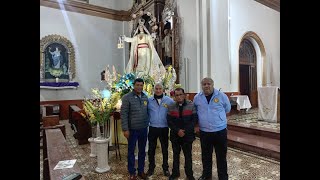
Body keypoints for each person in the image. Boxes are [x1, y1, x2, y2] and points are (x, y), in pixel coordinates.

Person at [193, 77, 231, 180]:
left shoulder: (222, 96)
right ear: (202, 86)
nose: (206, 86)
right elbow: (195, 110)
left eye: (208, 84)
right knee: (206, 156)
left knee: (221, 156)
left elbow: (227, 108)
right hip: (205, 132)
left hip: (220, 131)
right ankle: (206, 175)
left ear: (213, 84)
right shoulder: (197, 97)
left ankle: (223, 177)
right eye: (204, 84)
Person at [120, 78, 149, 180]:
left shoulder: (145, 97)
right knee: (131, 151)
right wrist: (125, 129)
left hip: (143, 129)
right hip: (132, 130)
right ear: (134, 85)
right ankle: (132, 172)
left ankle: (141, 171)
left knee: (142, 151)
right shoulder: (127, 97)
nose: (139, 87)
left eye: (141, 85)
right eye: (137, 85)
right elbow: (123, 114)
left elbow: (147, 112)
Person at [122, 19, 166, 83]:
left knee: (147, 63)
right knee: (139, 64)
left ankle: (146, 76)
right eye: (139, 27)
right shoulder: (136, 37)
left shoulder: (147, 36)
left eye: (142, 27)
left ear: (144, 28)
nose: (141, 28)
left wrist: (153, 36)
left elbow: (151, 39)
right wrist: (125, 38)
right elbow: (131, 40)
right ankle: (139, 76)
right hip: (139, 52)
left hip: (146, 51)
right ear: (138, 28)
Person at [167, 88, 197, 180]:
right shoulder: (171, 106)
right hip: (175, 135)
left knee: (188, 156)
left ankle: (189, 174)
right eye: (177, 95)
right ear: (174, 97)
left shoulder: (191, 105)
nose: (179, 97)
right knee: (175, 155)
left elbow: (194, 120)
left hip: (187, 136)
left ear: (184, 95)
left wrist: (185, 131)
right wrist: (178, 131)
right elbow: (169, 121)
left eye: (180, 94)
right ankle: (175, 173)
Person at [146, 83, 175, 177]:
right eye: (156, 89)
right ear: (154, 90)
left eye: (160, 89)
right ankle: (151, 168)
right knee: (151, 149)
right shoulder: (149, 100)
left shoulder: (169, 100)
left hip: (164, 128)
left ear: (163, 90)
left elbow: (175, 110)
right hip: (152, 128)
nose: (158, 90)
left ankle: (165, 168)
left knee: (164, 149)